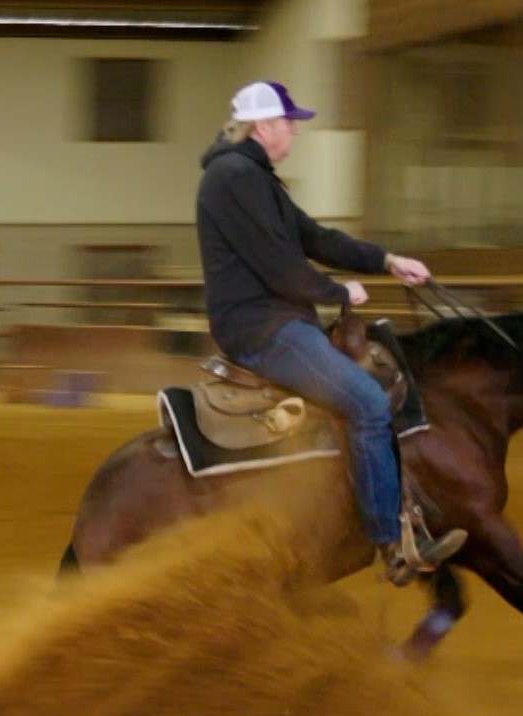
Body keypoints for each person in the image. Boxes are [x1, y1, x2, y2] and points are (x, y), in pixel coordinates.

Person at [194, 80, 466, 582]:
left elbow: (316, 238)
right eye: (289, 122)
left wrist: (387, 261)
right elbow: (278, 264)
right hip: (262, 327)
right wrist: (336, 292)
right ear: (263, 126)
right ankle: (391, 540)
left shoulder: (254, 178)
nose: (295, 132)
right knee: (367, 402)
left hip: (276, 318)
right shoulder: (236, 178)